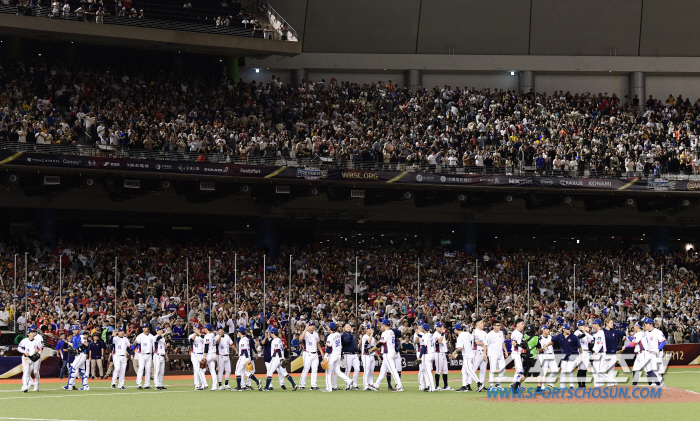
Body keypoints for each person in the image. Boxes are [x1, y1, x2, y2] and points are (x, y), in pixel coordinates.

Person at [369, 319, 403, 392]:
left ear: (384, 325)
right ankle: (376, 385)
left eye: (382, 325)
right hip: (391, 352)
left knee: (393, 370)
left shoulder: (385, 333)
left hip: (388, 353)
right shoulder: (392, 332)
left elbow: (380, 343)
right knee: (383, 371)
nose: (381, 326)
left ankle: (400, 386)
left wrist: (372, 349)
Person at [510, 324, 543, 392]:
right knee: (539, 373)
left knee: (525, 374)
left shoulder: (523, 337)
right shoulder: (536, 338)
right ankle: (539, 388)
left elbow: (520, 345)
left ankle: (516, 384)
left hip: (525, 358)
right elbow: (539, 348)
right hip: (533, 358)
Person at [549, 323, 581, 389]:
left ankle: (572, 386)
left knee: (569, 370)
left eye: (569, 329)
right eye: (567, 329)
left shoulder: (574, 337)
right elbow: (552, 341)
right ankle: (562, 387)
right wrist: (546, 345)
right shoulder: (560, 336)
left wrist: (581, 355)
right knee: (563, 370)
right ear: (563, 329)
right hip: (565, 356)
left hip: (573, 355)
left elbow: (579, 347)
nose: (569, 330)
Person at [322, 322, 351, 392]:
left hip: (332, 355)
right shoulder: (338, 334)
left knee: (328, 372)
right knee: (338, 371)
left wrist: (325, 357)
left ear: (330, 328)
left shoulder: (330, 336)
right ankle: (349, 381)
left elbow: (328, 348)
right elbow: (340, 346)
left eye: (328, 327)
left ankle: (329, 388)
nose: (327, 328)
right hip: (338, 355)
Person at [234, 326, 262, 391]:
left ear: (240, 332)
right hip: (247, 356)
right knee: (247, 373)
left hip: (243, 356)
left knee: (237, 372)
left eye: (238, 331)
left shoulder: (243, 340)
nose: (237, 332)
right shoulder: (246, 338)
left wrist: (247, 359)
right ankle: (257, 381)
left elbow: (245, 350)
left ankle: (239, 387)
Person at [640, 317, 666, 386]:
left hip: (658, 352)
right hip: (650, 353)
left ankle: (659, 383)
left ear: (651, 324)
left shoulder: (658, 332)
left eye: (646, 323)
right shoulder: (646, 333)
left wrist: (658, 349)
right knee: (652, 369)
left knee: (655, 368)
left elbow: (663, 342)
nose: (645, 325)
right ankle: (660, 383)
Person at [63, 326, 90, 391]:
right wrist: (68, 342)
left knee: (72, 368)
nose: (74, 331)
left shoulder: (81, 336)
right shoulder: (74, 337)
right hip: (78, 355)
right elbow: (74, 345)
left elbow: (86, 344)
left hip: (81, 355)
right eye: (73, 330)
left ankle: (69, 386)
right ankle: (85, 386)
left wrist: (78, 350)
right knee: (82, 371)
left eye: (76, 330)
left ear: (78, 330)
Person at [601, 318, 626, 386]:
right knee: (601, 371)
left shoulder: (615, 331)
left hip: (613, 354)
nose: (613, 324)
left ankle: (610, 386)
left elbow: (625, 333)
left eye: (613, 323)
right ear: (607, 323)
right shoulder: (602, 331)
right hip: (605, 354)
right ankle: (613, 381)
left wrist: (628, 333)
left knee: (611, 371)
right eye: (611, 323)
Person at [484, 320, 508, 391]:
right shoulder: (489, 335)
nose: (499, 326)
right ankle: (491, 386)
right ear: (493, 326)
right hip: (492, 354)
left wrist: (505, 351)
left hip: (500, 354)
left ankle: (498, 384)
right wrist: (484, 354)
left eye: (499, 325)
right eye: (497, 325)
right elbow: (485, 345)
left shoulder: (501, 332)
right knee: (493, 370)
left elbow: (502, 343)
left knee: (503, 369)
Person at [453, 323, 476, 392]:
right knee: (464, 371)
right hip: (471, 354)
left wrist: (454, 352)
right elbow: (472, 337)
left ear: (456, 329)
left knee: (469, 371)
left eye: (454, 329)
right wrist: (474, 331)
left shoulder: (460, 336)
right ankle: (465, 386)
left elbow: (460, 347)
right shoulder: (467, 333)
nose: (454, 330)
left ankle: (479, 383)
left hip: (467, 355)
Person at [299, 321, 322, 390]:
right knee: (306, 369)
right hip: (307, 353)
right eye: (310, 325)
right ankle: (302, 385)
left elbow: (318, 343)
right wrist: (305, 329)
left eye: (313, 325)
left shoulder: (315, 334)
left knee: (315, 370)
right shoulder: (305, 333)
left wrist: (321, 352)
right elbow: (300, 338)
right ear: (308, 326)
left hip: (315, 353)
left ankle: (313, 385)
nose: (312, 326)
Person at [18, 328, 40, 393]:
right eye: (32, 332)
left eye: (34, 332)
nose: (33, 333)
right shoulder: (24, 340)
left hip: (33, 358)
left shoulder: (36, 341)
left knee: (29, 373)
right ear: (28, 334)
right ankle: (25, 386)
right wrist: (24, 352)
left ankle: (23, 387)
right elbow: (19, 348)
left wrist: (38, 352)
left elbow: (39, 348)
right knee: (26, 371)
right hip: (26, 358)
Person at [573, 320, 594, 387]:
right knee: (580, 369)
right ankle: (580, 385)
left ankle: (583, 384)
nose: (583, 326)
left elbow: (592, 338)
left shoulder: (585, 333)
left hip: (586, 352)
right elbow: (579, 337)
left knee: (584, 369)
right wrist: (585, 332)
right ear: (578, 326)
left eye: (583, 325)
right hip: (580, 352)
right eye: (581, 325)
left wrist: (586, 332)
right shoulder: (576, 332)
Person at [433, 322, 452, 390]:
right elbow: (439, 341)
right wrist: (443, 333)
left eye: (441, 326)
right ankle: (437, 386)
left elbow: (444, 345)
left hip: (443, 353)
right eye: (439, 327)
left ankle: (446, 386)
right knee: (438, 370)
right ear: (436, 327)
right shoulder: (435, 334)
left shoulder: (441, 334)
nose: (441, 328)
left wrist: (447, 352)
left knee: (445, 370)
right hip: (438, 353)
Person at [134, 323, 154, 389]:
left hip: (149, 354)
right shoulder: (140, 336)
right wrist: (135, 343)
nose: (144, 328)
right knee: (141, 369)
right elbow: (135, 344)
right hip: (142, 354)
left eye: (146, 327)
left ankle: (146, 385)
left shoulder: (151, 336)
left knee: (148, 370)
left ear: (148, 328)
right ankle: (139, 384)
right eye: (143, 327)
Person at [215, 326, 235, 390]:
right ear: (217, 331)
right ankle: (220, 385)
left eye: (221, 329)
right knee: (220, 370)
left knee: (228, 370)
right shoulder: (216, 337)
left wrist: (236, 350)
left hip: (227, 355)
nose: (220, 330)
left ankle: (226, 383)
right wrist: (220, 336)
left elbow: (231, 344)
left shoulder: (227, 336)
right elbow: (217, 342)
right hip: (220, 356)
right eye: (218, 330)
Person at [341, 323, 360, 390]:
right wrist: (351, 334)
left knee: (357, 369)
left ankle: (354, 384)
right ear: (344, 328)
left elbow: (354, 344)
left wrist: (357, 352)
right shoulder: (343, 335)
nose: (349, 327)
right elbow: (347, 341)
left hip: (354, 354)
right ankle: (347, 385)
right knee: (348, 370)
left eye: (349, 326)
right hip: (347, 354)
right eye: (347, 327)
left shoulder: (352, 334)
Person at [189, 324, 207, 390]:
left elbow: (205, 338)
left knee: (203, 370)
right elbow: (190, 341)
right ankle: (197, 385)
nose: (198, 330)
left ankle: (202, 383)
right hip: (194, 354)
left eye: (199, 329)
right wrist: (195, 334)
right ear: (194, 329)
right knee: (196, 370)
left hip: (202, 355)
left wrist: (198, 333)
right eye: (196, 329)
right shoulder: (191, 336)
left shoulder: (203, 336)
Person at [508, 319, 524, 392]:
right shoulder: (515, 333)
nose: (523, 325)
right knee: (520, 370)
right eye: (522, 324)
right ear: (517, 324)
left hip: (519, 353)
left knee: (518, 371)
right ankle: (515, 385)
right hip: (516, 352)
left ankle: (514, 384)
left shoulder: (520, 333)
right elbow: (513, 342)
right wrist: (519, 345)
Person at [472, 318, 487, 392]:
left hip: (483, 352)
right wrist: (485, 344)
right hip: (477, 352)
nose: (482, 324)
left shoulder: (484, 332)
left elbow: (486, 342)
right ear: (477, 324)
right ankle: (468, 384)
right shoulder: (475, 331)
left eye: (482, 322)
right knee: (473, 369)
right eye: (481, 323)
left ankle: (482, 384)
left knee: (483, 370)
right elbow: (477, 342)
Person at [202, 324, 218, 390]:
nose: (204, 329)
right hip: (214, 354)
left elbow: (206, 347)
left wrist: (204, 357)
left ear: (207, 328)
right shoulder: (212, 335)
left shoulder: (207, 336)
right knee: (212, 371)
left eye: (205, 328)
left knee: (200, 369)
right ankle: (214, 386)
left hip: (209, 354)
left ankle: (204, 384)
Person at [360, 324, 376, 390]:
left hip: (372, 355)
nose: (371, 330)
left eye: (372, 328)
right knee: (366, 371)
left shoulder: (373, 338)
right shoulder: (365, 336)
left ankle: (370, 384)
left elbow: (375, 347)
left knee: (371, 371)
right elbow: (368, 342)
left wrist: (377, 356)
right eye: (370, 328)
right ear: (366, 330)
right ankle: (365, 386)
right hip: (366, 356)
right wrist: (372, 334)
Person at [153, 326, 169, 390]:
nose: (161, 330)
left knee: (162, 371)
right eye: (159, 330)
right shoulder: (155, 337)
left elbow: (164, 348)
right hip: (157, 355)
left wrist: (166, 356)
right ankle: (156, 385)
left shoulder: (163, 338)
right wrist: (165, 333)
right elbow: (158, 338)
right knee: (157, 371)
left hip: (162, 355)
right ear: (157, 331)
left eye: (161, 329)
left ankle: (160, 384)